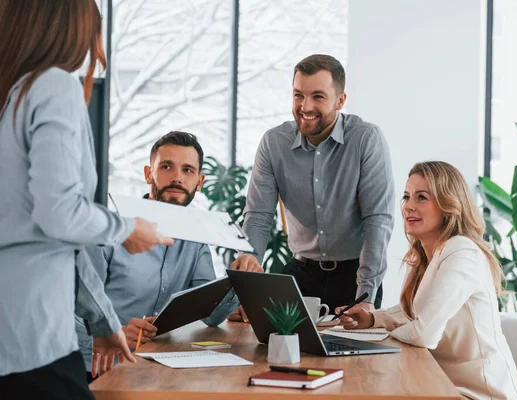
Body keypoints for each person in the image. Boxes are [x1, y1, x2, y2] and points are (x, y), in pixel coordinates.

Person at [0, 0, 173, 398]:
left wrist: (102, 321)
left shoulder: (12, 96)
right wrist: (128, 228)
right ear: (72, 28)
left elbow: (59, 240)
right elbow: (59, 215)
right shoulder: (54, 86)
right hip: (34, 335)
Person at [337, 161, 517, 400]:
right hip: (439, 382)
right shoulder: (427, 254)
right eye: (406, 197)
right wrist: (373, 319)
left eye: (422, 197)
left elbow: (423, 332)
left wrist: (387, 332)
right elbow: (414, 313)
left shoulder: (462, 253)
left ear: (449, 205)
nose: (408, 207)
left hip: (478, 391)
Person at [230, 54, 394, 315]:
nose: (305, 106)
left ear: (340, 100)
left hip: (354, 277)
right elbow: (259, 215)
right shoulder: (274, 143)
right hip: (300, 274)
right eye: (298, 95)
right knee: (273, 348)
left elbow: (378, 219)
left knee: (351, 356)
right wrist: (249, 276)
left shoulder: (366, 139)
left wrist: (366, 294)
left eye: (318, 96)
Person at [77, 131, 240, 381]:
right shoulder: (112, 229)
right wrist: (111, 330)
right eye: (166, 167)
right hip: (98, 367)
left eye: (187, 170)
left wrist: (240, 279)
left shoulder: (195, 240)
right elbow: (71, 310)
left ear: (199, 181)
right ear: (148, 173)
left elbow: (211, 314)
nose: (177, 178)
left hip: (155, 366)